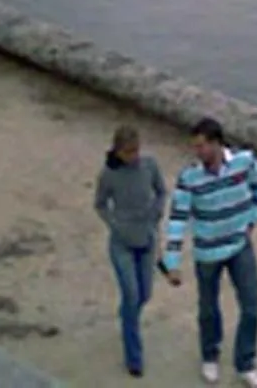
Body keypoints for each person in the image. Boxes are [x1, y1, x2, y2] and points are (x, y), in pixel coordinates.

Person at [160, 116, 257, 387]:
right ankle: (210, 355)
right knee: (209, 309)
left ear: (217, 144)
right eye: (195, 147)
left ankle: (246, 363)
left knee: (252, 306)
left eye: (201, 147)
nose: (197, 153)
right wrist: (171, 262)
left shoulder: (245, 162)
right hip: (207, 252)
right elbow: (177, 219)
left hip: (239, 245)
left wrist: (252, 220)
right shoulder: (190, 178)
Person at [94, 124, 168, 378]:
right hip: (121, 245)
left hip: (146, 241)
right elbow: (100, 204)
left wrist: (157, 212)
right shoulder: (109, 175)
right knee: (132, 294)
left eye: (136, 150)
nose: (134, 156)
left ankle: (127, 316)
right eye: (128, 152)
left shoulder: (150, 166)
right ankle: (134, 358)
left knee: (143, 294)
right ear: (118, 151)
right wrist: (114, 223)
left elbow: (161, 191)